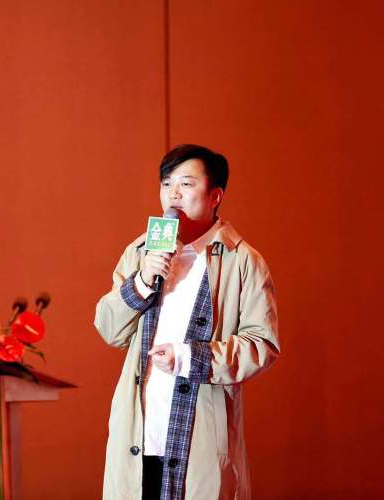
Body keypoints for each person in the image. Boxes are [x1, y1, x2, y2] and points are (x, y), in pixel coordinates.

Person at [94, 144, 280, 500]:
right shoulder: (140, 252)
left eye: (186, 183)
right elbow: (108, 328)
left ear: (215, 196)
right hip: (138, 437)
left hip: (199, 443)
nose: (173, 193)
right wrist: (142, 280)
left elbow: (262, 345)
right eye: (166, 183)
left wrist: (190, 358)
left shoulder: (243, 260)